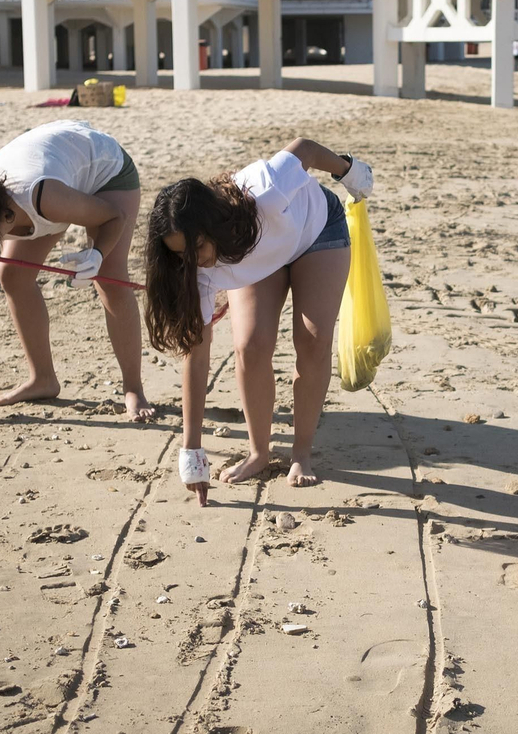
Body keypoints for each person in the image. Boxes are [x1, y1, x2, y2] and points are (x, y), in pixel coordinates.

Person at [143, 140, 373, 495]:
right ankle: (259, 452)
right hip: (258, 260)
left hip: (316, 231)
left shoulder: (263, 190)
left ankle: (301, 452)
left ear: (213, 225)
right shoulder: (194, 269)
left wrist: (348, 170)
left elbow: (305, 149)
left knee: (312, 340)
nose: (194, 261)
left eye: (198, 247)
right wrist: (192, 452)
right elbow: (196, 354)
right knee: (250, 345)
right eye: (180, 256)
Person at [0, 121, 152, 421]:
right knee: (12, 275)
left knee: (109, 278)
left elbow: (115, 217)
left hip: (104, 170)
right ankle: (43, 380)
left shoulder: (43, 198)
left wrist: (97, 255)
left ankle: (133, 389)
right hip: (56, 171)